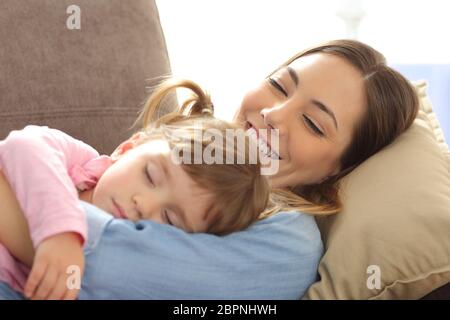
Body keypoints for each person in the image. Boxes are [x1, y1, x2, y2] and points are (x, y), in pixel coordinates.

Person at [0, 39, 419, 300]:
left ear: (335, 171)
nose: (273, 113)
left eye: (312, 124)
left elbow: (94, 267)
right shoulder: (167, 149)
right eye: (279, 85)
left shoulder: (287, 241)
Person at [0, 80, 270, 300]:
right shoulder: (79, 160)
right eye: (150, 176)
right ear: (127, 148)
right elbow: (24, 146)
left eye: (170, 218)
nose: (144, 205)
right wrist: (61, 233)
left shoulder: (129, 265)